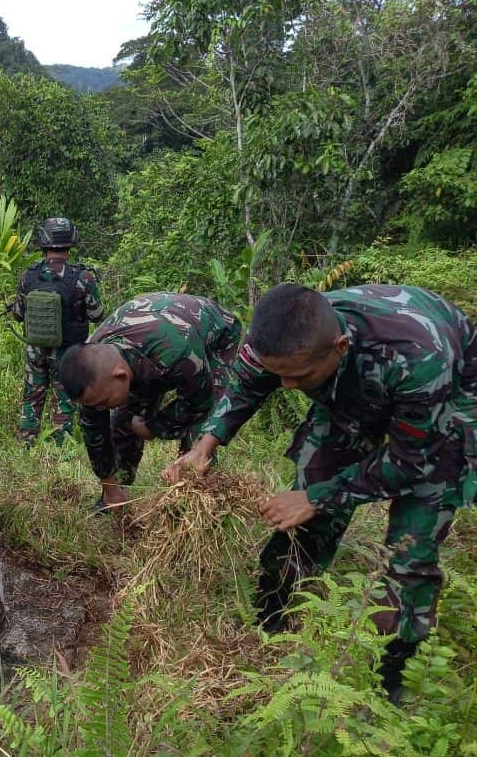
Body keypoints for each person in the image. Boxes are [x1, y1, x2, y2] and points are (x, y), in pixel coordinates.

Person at [163, 283, 476, 702]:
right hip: (351, 388)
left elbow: (410, 463)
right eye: (279, 375)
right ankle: (271, 622)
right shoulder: (278, 337)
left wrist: (317, 498)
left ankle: (391, 683)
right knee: (304, 504)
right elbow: (245, 385)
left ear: (339, 346)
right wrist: (206, 445)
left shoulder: (420, 358)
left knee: (411, 546)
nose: (288, 387)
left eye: (299, 375)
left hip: (448, 399)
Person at [59, 292, 241, 510]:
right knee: (122, 422)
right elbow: (94, 430)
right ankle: (119, 495)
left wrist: (154, 426)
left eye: (104, 401)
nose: (100, 408)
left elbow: (198, 404)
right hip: (147, 347)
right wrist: (109, 485)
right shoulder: (90, 366)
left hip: (215, 336)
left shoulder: (178, 353)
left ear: (121, 376)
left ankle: (195, 502)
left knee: (199, 432)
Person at [11, 216, 104, 446]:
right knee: (64, 397)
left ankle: (26, 444)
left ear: (44, 241)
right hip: (68, 351)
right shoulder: (83, 277)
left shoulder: (29, 276)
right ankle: (60, 448)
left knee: (32, 396)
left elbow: (17, 314)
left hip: (36, 351)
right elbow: (97, 315)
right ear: (70, 241)